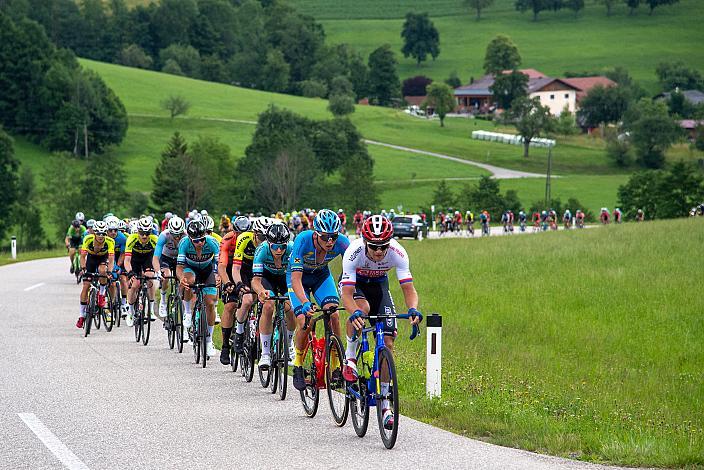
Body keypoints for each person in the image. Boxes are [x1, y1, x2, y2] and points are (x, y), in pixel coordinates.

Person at [339, 215, 422, 430]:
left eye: (383, 246)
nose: (378, 251)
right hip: (355, 284)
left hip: (379, 286)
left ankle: (385, 403)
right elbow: (346, 295)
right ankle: (350, 358)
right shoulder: (353, 252)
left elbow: (409, 289)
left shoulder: (398, 253)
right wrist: (354, 312)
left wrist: (413, 309)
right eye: (374, 246)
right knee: (362, 309)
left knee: (388, 341)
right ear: (365, 242)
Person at [288, 209, 349, 391]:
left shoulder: (342, 243)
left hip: (321, 276)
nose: (330, 241)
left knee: (334, 314)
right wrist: (305, 302)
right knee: (304, 320)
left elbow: (351, 271)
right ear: (316, 234)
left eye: (334, 236)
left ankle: (337, 366)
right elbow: (296, 279)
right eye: (325, 237)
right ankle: (298, 364)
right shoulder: (303, 240)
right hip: (298, 277)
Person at [251, 223, 296, 370]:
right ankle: (265, 354)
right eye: (275, 246)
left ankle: (289, 345)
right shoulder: (262, 250)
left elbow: (297, 277)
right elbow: (256, 281)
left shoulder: (292, 249)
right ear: (268, 243)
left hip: (285, 279)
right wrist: (260, 292)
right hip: (267, 278)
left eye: (282, 247)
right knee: (268, 305)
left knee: (290, 307)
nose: (278, 250)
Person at [177, 220, 220, 358]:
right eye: (196, 241)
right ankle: (188, 313)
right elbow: (179, 267)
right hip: (191, 268)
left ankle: (208, 341)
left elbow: (221, 263)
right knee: (188, 281)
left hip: (207, 270)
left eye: (202, 240)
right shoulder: (184, 243)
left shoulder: (212, 242)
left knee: (210, 303)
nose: (200, 243)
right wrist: (181, 278)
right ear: (190, 239)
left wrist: (219, 276)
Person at [231, 217, 270, 354]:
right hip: (245, 270)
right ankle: (239, 332)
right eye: (261, 237)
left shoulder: (268, 244)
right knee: (247, 300)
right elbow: (236, 268)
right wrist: (239, 283)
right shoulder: (244, 238)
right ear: (254, 233)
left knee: (267, 303)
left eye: (266, 237)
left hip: (261, 272)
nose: (263, 240)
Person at [217, 215, 252, 364]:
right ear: (233, 231)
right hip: (230, 268)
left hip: (247, 268)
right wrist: (226, 283)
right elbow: (222, 267)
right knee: (230, 305)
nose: (241, 236)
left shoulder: (252, 240)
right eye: (238, 233)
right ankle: (225, 345)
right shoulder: (227, 240)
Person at [76, 221, 114, 328]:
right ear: (94, 233)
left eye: (103, 233)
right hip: (91, 260)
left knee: (102, 271)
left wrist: (109, 271)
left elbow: (111, 260)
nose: (101, 236)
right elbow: (83, 257)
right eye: (98, 233)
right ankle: (82, 315)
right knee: (86, 286)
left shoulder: (110, 241)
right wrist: (83, 268)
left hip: (103, 259)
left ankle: (101, 295)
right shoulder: (88, 239)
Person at [124, 217, 160, 325]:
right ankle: (130, 312)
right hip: (134, 259)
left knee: (150, 279)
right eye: (141, 233)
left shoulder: (155, 239)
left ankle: (151, 310)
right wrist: (130, 272)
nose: (144, 236)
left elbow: (157, 258)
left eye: (147, 233)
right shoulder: (132, 238)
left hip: (147, 258)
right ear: (137, 231)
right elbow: (127, 260)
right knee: (134, 285)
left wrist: (158, 272)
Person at [153, 216, 186, 318]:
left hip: (179, 259)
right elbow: (155, 258)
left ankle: (182, 301)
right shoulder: (164, 235)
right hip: (166, 257)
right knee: (166, 276)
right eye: (174, 234)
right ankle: (163, 300)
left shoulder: (186, 235)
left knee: (183, 279)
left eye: (179, 235)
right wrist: (158, 272)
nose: (176, 237)